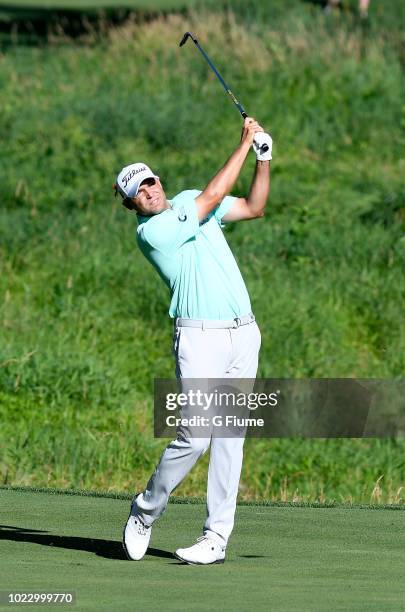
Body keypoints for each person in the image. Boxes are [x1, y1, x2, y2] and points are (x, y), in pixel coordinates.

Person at [114, 117, 272, 565]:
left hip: (244, 332)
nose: (148, 191)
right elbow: (214, 196)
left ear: (158, 180)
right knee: (195, 436)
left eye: (149, 181)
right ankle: (145, 510)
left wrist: (263, 158)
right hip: (199, 337)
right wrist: (242, 143)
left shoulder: (186, 200)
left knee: (230, 437)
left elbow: (254, 207)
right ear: (132, 205)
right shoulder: (152, 234)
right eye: (138, 192)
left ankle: (216, 538)